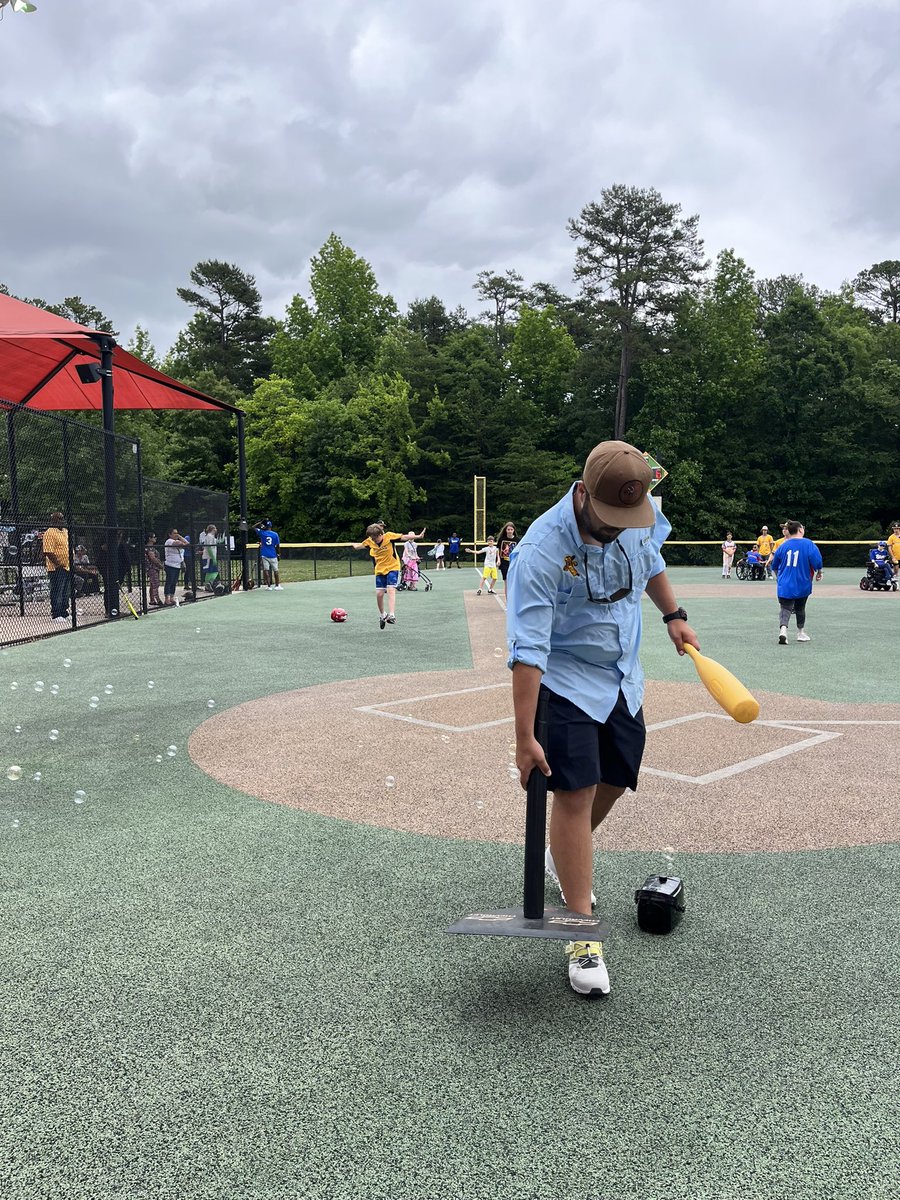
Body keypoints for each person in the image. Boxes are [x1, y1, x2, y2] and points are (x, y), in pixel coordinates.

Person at [507, 440, 699, 998]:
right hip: (564, 677)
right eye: (608, 518)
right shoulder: (541, 550)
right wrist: (523, 738)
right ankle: (580, 930)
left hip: (623, 673)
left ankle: (562, 854)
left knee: (617, 779)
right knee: (574, 791)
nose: (619, 528)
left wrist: (673, 614)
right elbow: (527, 650)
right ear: (584, 492)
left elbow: (652, 563)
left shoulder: (640, 513)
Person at [352, 523, 425, 629]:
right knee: (379, 594)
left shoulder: (389, 537)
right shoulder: (369, 541)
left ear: (381, 534)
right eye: (372, 538)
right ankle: (383, 615)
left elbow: (404, 536)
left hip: (393, 567)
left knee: (391, 589)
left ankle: (391, 615)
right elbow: (359, 546)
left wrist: (418, 536)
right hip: (380, 570)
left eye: (375, 537)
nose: (373, 540)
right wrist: (353, 545)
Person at [770, 520, 823, 645]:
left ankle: (783, 630)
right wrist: (819, 572)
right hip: (802, 582)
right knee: (800, 608)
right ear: (800, 530)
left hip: (785, 583)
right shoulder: (808, 544)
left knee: (785, 608)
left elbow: (774, 565)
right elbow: (817, 561)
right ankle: (800, 633)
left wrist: (780, 578)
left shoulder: (783, 545)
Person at [42, 511, 71, 622]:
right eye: (59, 518)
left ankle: (64, 612)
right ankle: (56, 614)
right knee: (57, 591)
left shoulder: (65, 531)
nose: (62, 520)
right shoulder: (49, 532)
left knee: (66, 591)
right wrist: (58, 564)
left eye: (62, 518)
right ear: (53, 520)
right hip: (56, 567)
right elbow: (48, 552)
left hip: (67, 566)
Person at [163, 528, 189, 607]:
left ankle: (171, 597)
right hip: (170, 565)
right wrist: (180, 539)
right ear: (170, 534)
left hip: (177, 565)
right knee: (169, 581)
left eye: (177, 533)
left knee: (174, 582)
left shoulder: (178, 540)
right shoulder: (169, 541)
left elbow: (187, 544)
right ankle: (167, 599)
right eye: (174, 533)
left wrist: (180, 537)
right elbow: (178, 544)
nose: (176, 535)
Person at [255, 520, 282, 590]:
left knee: (266, 570)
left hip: (264, 554)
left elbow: (253, 527)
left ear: (265, 526)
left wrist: (260, 523)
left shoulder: (262, 533)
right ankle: (277, 585)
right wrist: (278, 554)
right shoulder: (275, 534)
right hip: (273, 554)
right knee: (276, 570)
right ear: (271, 526)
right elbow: (278, 545)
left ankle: (269, 586)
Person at [497, 522, 518, 598]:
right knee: (506, 582)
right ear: (506, 530)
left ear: (513, 530)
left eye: (511, 529)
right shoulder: (502, 539)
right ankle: (508, 602)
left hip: (513, 563)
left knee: (513, 582)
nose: (509, 531)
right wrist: (498, 559)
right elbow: (498, 550)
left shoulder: (517, 540)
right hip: (504, 563)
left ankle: (514, 600)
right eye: (508, 529)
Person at [145, 534, 164, 606]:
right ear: (150, 538)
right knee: (156, 583)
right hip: (152, 567)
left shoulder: (151, 547)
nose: (155, 538)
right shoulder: (149, 548)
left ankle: (152, 600)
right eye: (154, 537)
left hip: (152, 568)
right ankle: (158, 599)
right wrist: (160, 565)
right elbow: (152, 558)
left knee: (152, 584)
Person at [199, 524, 219, 591]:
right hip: (209, 557)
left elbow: (216, 542)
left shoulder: (210, 536)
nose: (216, 530)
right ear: (212, 529)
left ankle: (207, 584)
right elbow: (209, 547)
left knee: (209, 572)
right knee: (214, 571)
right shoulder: (210, 536)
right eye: (215, 528)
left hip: (208, 557)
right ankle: (209, 583)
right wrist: (213, 558)